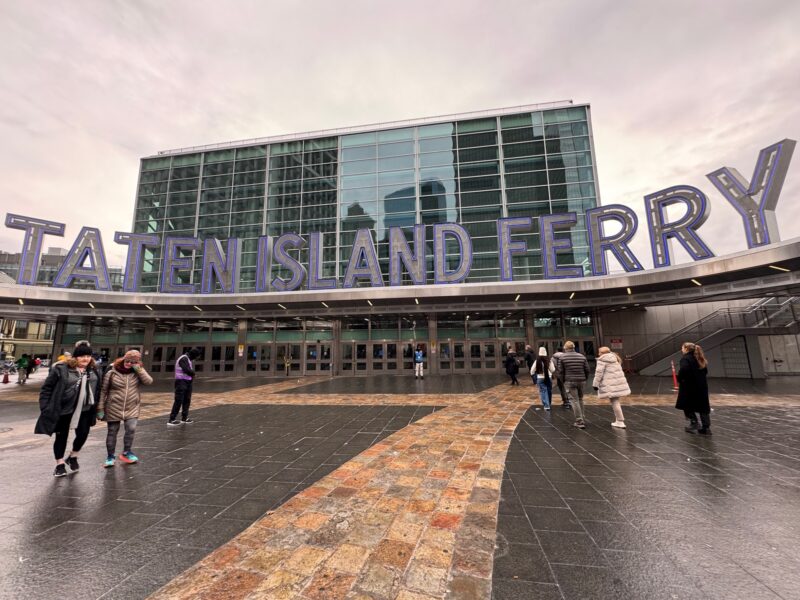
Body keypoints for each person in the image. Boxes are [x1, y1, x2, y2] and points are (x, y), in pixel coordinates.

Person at [35, 344, 101, 477]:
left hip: (85, 410)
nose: (86, 359)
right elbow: (46, 389)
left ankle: (73, 456)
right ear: (76, 357)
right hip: (64, 410)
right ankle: (59, 464)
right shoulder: (62, 369)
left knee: (83, 434)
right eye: (82, 356)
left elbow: (98, 389)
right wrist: (45, 407)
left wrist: (99, 407)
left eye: (88, 356)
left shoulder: (94, 370)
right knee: (61, 437)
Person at [98, 349, 153, 467]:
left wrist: (139, 369)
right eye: (127, 361)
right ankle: (110, 456)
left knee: (131, 428)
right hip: (113, 406)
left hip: (131, 406)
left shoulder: (137, 371)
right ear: (123, 358)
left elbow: (149, 381)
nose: (129, 364)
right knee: (112, 431)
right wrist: (100, 408)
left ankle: (127, 452)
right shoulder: (112, 371)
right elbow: (103, 390)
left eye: (132, 362)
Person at [676, 342, 711, 434]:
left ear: (686, 349)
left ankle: (694, 422)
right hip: (702, 386)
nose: (682, 350)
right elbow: (705, 371)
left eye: (682, 348)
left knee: (686, 404)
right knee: (703, 406)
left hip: (689, 386)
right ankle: (706, 427)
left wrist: (680, 379)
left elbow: (684, 369)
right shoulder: (699, 357)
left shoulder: (686, 358)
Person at [593, 346, 630, 429]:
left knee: (615, 402)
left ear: (602, 353)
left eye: (599, 352)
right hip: (617, 384)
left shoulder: (602, 360)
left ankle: (620, 421)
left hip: (610, 385)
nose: (598, 354)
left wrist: (595, 384)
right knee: (616, 401)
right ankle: (618, 420)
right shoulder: (615, 358)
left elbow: (599, 373)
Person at [558, 341, 590, 428]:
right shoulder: (582, 356)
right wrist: (584, 378)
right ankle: (582, 417)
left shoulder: (562, 357)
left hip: (569, 381)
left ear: (565, 348)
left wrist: (563, 381)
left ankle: (579, 421)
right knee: (580, 399)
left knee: (574, 400)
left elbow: (560, 372)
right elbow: (587, 370)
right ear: (574, 347)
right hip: (581, 381)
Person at [168, 348, 200, 427]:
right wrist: (193, 374)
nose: (196, 358)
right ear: (193, 355)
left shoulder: (188, 359)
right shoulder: (183, 358)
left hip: (187, 382)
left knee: (187, 400)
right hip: (181, 382)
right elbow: (186, 369)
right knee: (179, 400)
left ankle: (184, 418)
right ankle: (172, 419)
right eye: (196, 356)